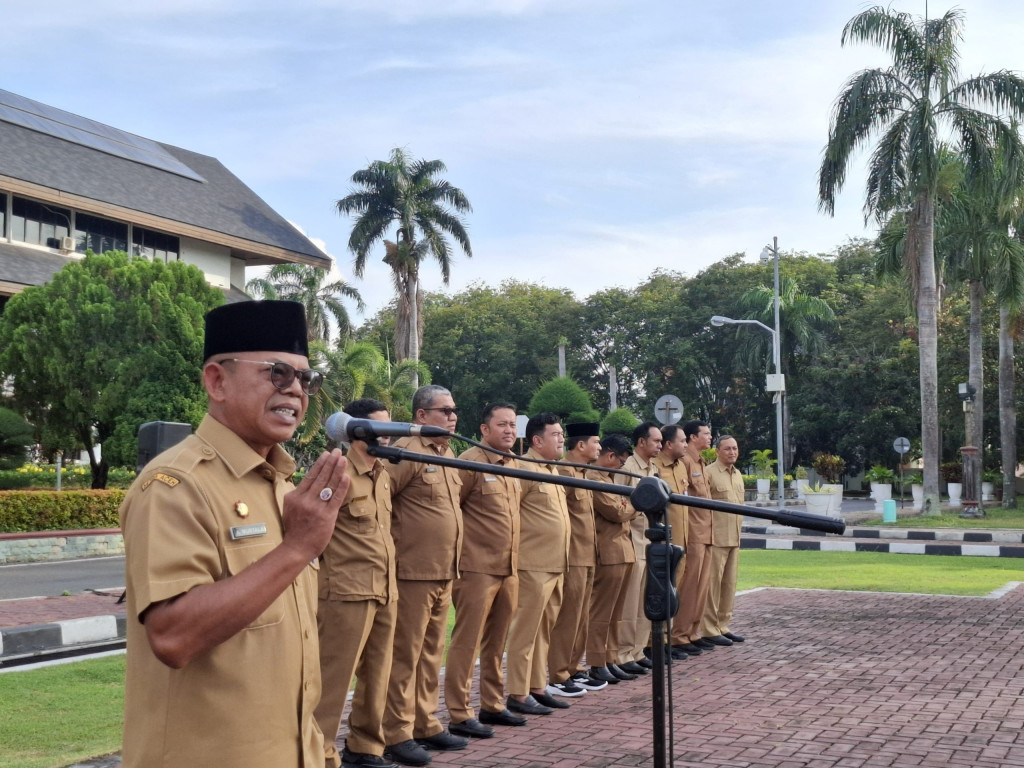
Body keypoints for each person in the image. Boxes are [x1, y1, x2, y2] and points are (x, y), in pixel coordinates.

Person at [119, 300, 348, 768]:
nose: (295, 390)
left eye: (306, 379)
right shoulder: (176, 484)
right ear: (217, 382)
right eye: (277, 374)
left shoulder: (280, 482)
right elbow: (172, 637)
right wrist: (297, 547)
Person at [383, 385, 466, 767]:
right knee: (405, 655)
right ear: (421, 415)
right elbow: (381, 501)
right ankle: (397, 731)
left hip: (444, 571)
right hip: (412, 572)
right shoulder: (406, 451)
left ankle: (425, 722)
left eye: (454, 410)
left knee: (432, 654)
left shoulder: (448, 454)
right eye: (444, 410)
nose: (452, 417)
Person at [315, 398, 399, 768]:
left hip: (384, 588)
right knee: (332, 682)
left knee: (378, 676)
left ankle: (366, 747)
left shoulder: (382, 473)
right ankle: (319, 754)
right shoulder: (337, 472)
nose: (389, 434)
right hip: (346, 592)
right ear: (358, 430)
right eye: (382, 426)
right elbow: (309, 534)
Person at [444, 403, 526, 738]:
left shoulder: (514, 463)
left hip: (509, 567)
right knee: (468, 641)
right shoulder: (469, 462)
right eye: (502, 424)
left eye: (512, 424)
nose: (509, 430)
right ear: (484, 429)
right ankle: (459, 712)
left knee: (497, 640)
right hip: (476, 568)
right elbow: (452, 510)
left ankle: (492, 703)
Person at [505, 413, 570, 716]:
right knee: (525, 632)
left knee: (544, 632)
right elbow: (510, 514)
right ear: (536, 440)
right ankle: (518, 693)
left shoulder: (551, 469)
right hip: (532, 565)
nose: (561, 439)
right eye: (555, 434)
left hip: (555, 564)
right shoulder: (524, 469)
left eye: (561, 434)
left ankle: (537, 687)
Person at [548, 422, 603, 696]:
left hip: (588, 553)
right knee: (568, 617)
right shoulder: (564, 472)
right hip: (573, 555)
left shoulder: (583, 472)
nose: (600, 447)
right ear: (581, 445)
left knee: (581, 617)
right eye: (596, 442)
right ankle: (558, 674)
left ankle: (573, 667)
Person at [585, 434, 636, 685]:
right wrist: (634, 504)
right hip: (608, 550)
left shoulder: (608, 478)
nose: (622, 467)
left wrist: (628, 506)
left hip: (623, 548)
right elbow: (617, 512)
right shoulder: (595, 478)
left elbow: (624, 509)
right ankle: (597, 662)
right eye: (621, 462)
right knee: (602, 612)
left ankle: (610, 658)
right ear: (610, 455)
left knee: (617, 613)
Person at [614, 420, 662, 678]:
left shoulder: (653, 469)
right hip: (633, 540)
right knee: (630, 604)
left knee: (646, 601)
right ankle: (623, 654)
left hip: (649, 542)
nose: (659, 445)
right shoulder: (628, 469)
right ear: (641, 442)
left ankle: (638, 651)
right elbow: (620, 505)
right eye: (656, 441)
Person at [673, 420, 715, 657]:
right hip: (694, 532)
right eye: (705, 434)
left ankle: (692, 632)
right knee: (689, 586)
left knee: (701, 586)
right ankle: (680, 634)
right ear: (692, 437)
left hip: (706, 531)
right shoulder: (685, 462)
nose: (709, 437)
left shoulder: (700, 461)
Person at [701, 435, 746, 645]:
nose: (732, 452)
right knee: (713, 586)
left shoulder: (738, 474)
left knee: (729, 585)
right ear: (717, 451)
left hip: (734, 538)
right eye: (727, 448)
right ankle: (709, 629)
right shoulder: (709, 473)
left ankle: (723, 625)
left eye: (735, 448)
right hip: (716, 538)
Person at [650, 423, 690, 660]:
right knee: (660, 592)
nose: (685, 445)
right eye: (682, 441)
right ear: (668, 444)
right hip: (662, 542)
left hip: (680, 541)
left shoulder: (681, 466)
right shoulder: (655, 467)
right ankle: (653, 642)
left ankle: (667, 639)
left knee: (674, 592)